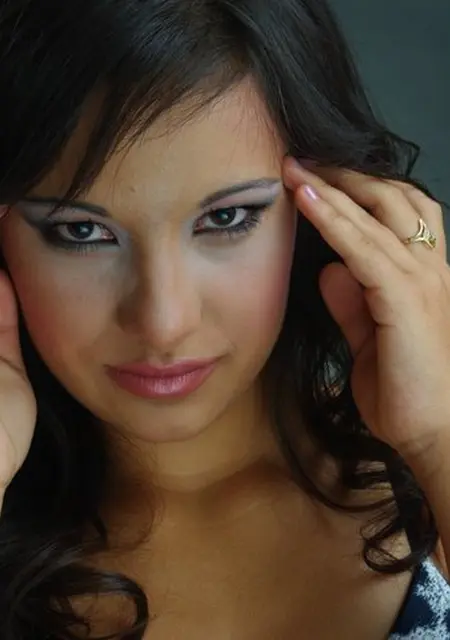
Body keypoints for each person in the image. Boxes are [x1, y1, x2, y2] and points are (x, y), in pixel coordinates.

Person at [0, 0, 449, 637]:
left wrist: (438, 440)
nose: (164, 323)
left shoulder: (429, 467)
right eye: (81, 231)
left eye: (226, 218)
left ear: (328, 208)